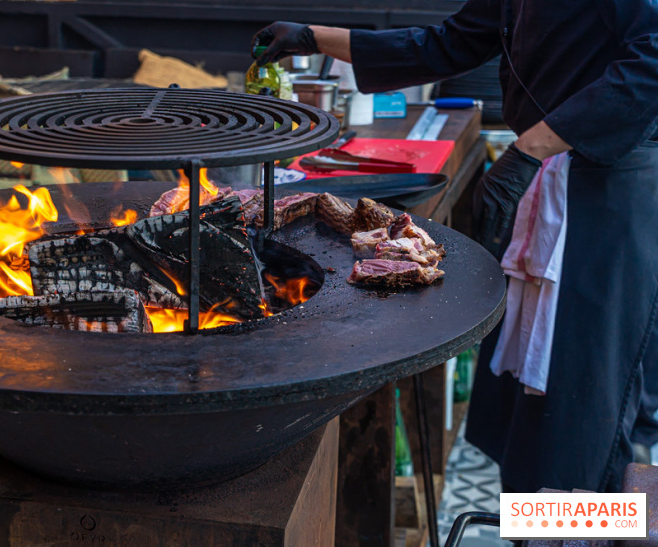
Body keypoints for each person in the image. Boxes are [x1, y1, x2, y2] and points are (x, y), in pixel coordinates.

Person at [251, 2, 658, 493]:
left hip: (610, 197)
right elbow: (450, 43)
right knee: (531, 408)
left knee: (584, 411)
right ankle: (534, 533)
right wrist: (313, 37)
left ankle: (585, 535)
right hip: (552, 176)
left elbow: (650, 66)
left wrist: (528, 151)